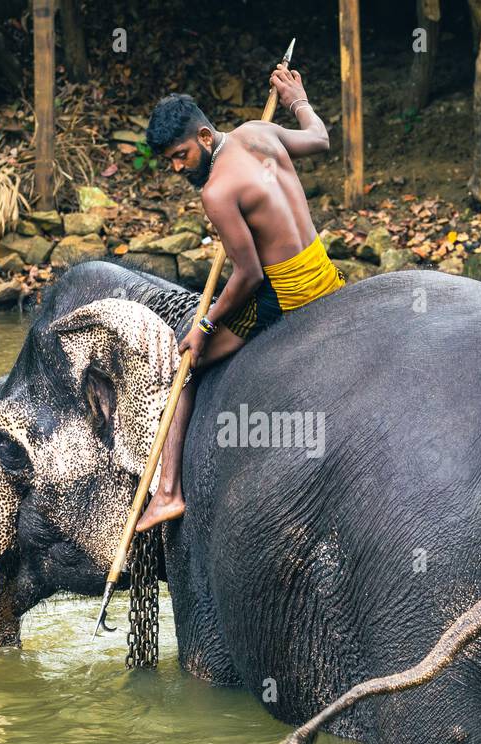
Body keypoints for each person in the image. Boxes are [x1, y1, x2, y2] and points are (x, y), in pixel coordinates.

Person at [135, 65, 346, 532]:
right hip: (325, 275)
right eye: (170, 160)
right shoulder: (258, 133)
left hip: (287, 295)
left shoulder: (216, 191)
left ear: (205, 137)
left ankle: (168, 492)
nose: (177, 168)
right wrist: (298, 99)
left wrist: (203, 326)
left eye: (181, 155)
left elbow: (248, 273)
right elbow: (320, 139)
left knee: (182, 368)